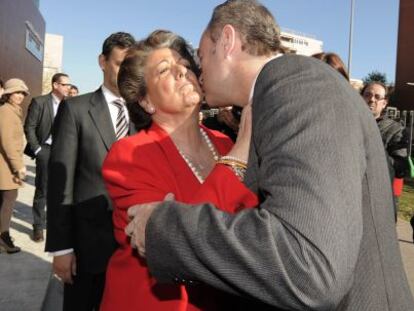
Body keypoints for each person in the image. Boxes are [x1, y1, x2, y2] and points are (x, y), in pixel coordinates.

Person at [125, 1, 414, 309]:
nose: (198, 69)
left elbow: (307, 267)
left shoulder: (297, 84)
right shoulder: (275, 96)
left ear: (227, 41)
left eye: (200, 54)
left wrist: (164, 226)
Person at [100, 30, 258, 311]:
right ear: (146, 101)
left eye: (185, 66)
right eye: (164, 70)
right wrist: (241, 153)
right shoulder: (131, 155)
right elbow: (179, 242)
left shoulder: (224, 142)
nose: (182, 73)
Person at [45, 32, 135, 310]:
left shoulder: (144, 114)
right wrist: (62, 248)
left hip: (132, 249)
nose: (126, 74)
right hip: (87, 248)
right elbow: (61, 182)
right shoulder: (76, 110)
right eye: (120, 64)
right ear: (102, 61)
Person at [24, 73, 71, 242]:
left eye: (69, 85)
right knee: (43, 189)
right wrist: (37, 150)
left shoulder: (69, 105)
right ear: (55, 85)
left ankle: (54, 224)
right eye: (65, 84)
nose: (68, 88)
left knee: (59, 190)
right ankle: (38, 226)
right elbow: (29, 127)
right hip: (45, 150)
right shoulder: (40, 102)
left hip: (63, 152)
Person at [361, 81, 409, 221]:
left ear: (384, 103)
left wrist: (374, 147)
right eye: (367, 94)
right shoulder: (349, 123)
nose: (371, 99)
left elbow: (400, 166)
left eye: (377, 97)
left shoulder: (396, 130)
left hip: (380, 200)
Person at [0, 78, 29, 253]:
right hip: (6, 166)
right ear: (8, 93)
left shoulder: (11, 110)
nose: (20, 96)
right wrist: (19, 166)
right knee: (8, 202)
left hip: (7, 164)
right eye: (16, 92)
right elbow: (8, 142)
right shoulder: (6, 112)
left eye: (22, 93)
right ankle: (4, 236)